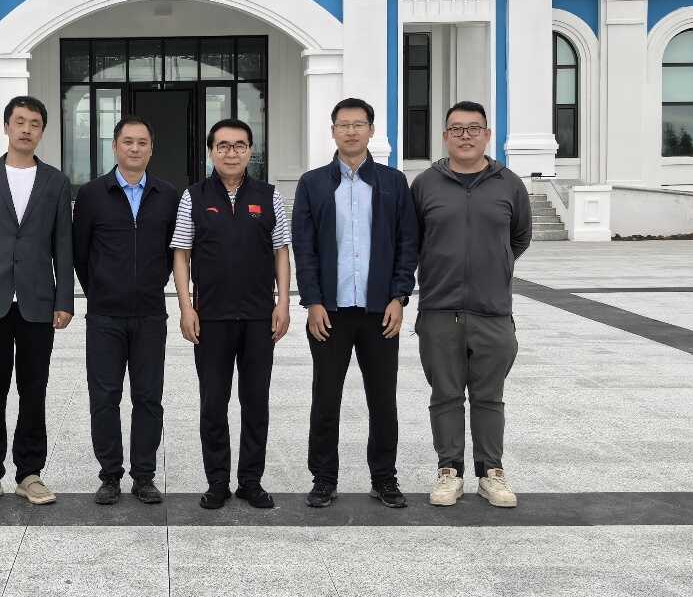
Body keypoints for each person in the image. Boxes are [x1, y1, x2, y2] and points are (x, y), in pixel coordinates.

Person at [292, 98, 417, 509]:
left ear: (371, 131)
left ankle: (384, 478)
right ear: (332, 131)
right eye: (343, 125)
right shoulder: (312, 183)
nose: (350, 131)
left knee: (382, 399)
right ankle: (323, 478)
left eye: (358, 124)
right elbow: (304, 249)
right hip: (329, 312)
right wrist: (312, 301)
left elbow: (407, 243)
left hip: (381, 311)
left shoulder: (392, 182)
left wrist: (399, 296)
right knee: (326, 398)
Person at [411, 101, 530, 509]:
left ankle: (491, 472)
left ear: (487, 135)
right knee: (445, 395)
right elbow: (413, 240)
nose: (465, 136)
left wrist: (494, 265)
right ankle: (449, 470)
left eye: (473, 128)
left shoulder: (509, 184)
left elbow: (519, 238)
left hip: (492, 311)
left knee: (489, 397)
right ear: (445, 136)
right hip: (439, 310)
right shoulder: (425, 185)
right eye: (457, 129)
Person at [0, 95, 74, 508]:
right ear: (7, 126)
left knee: (33, 389)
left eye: (34, 123)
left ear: (42, 131)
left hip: (38, 300)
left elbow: (63, 245)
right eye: (20, 121)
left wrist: (65, 299)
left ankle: (30, 473)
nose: (26, 129)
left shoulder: (56, 182)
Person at [171, 118, 291, 510]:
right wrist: (186, 307)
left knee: (255, 402)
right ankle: (218, 482)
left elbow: (281, 251)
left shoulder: (269, 196)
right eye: (222, 145)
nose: (231, 152)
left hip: (258, 317)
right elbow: (181, 254)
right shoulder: (193, 196)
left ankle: (251, 481)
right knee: (213, 403)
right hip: (211, 318)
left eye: (240, 145)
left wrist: (283, 303)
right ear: (211, 152)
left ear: (250, 151)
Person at [73, 115, 179, 506]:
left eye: (142, 142)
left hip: (150, 314)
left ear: (151, 149)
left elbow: (173, 251)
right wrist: (100, 291)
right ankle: (110, 475)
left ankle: (144, 476)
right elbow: (80, 253)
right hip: (104, 316)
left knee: (149, 398)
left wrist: (151, 285)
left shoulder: (168, 195)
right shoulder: (92, 194)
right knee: (104, 398)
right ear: (115, 146)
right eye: (127, 142)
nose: (135, 148)